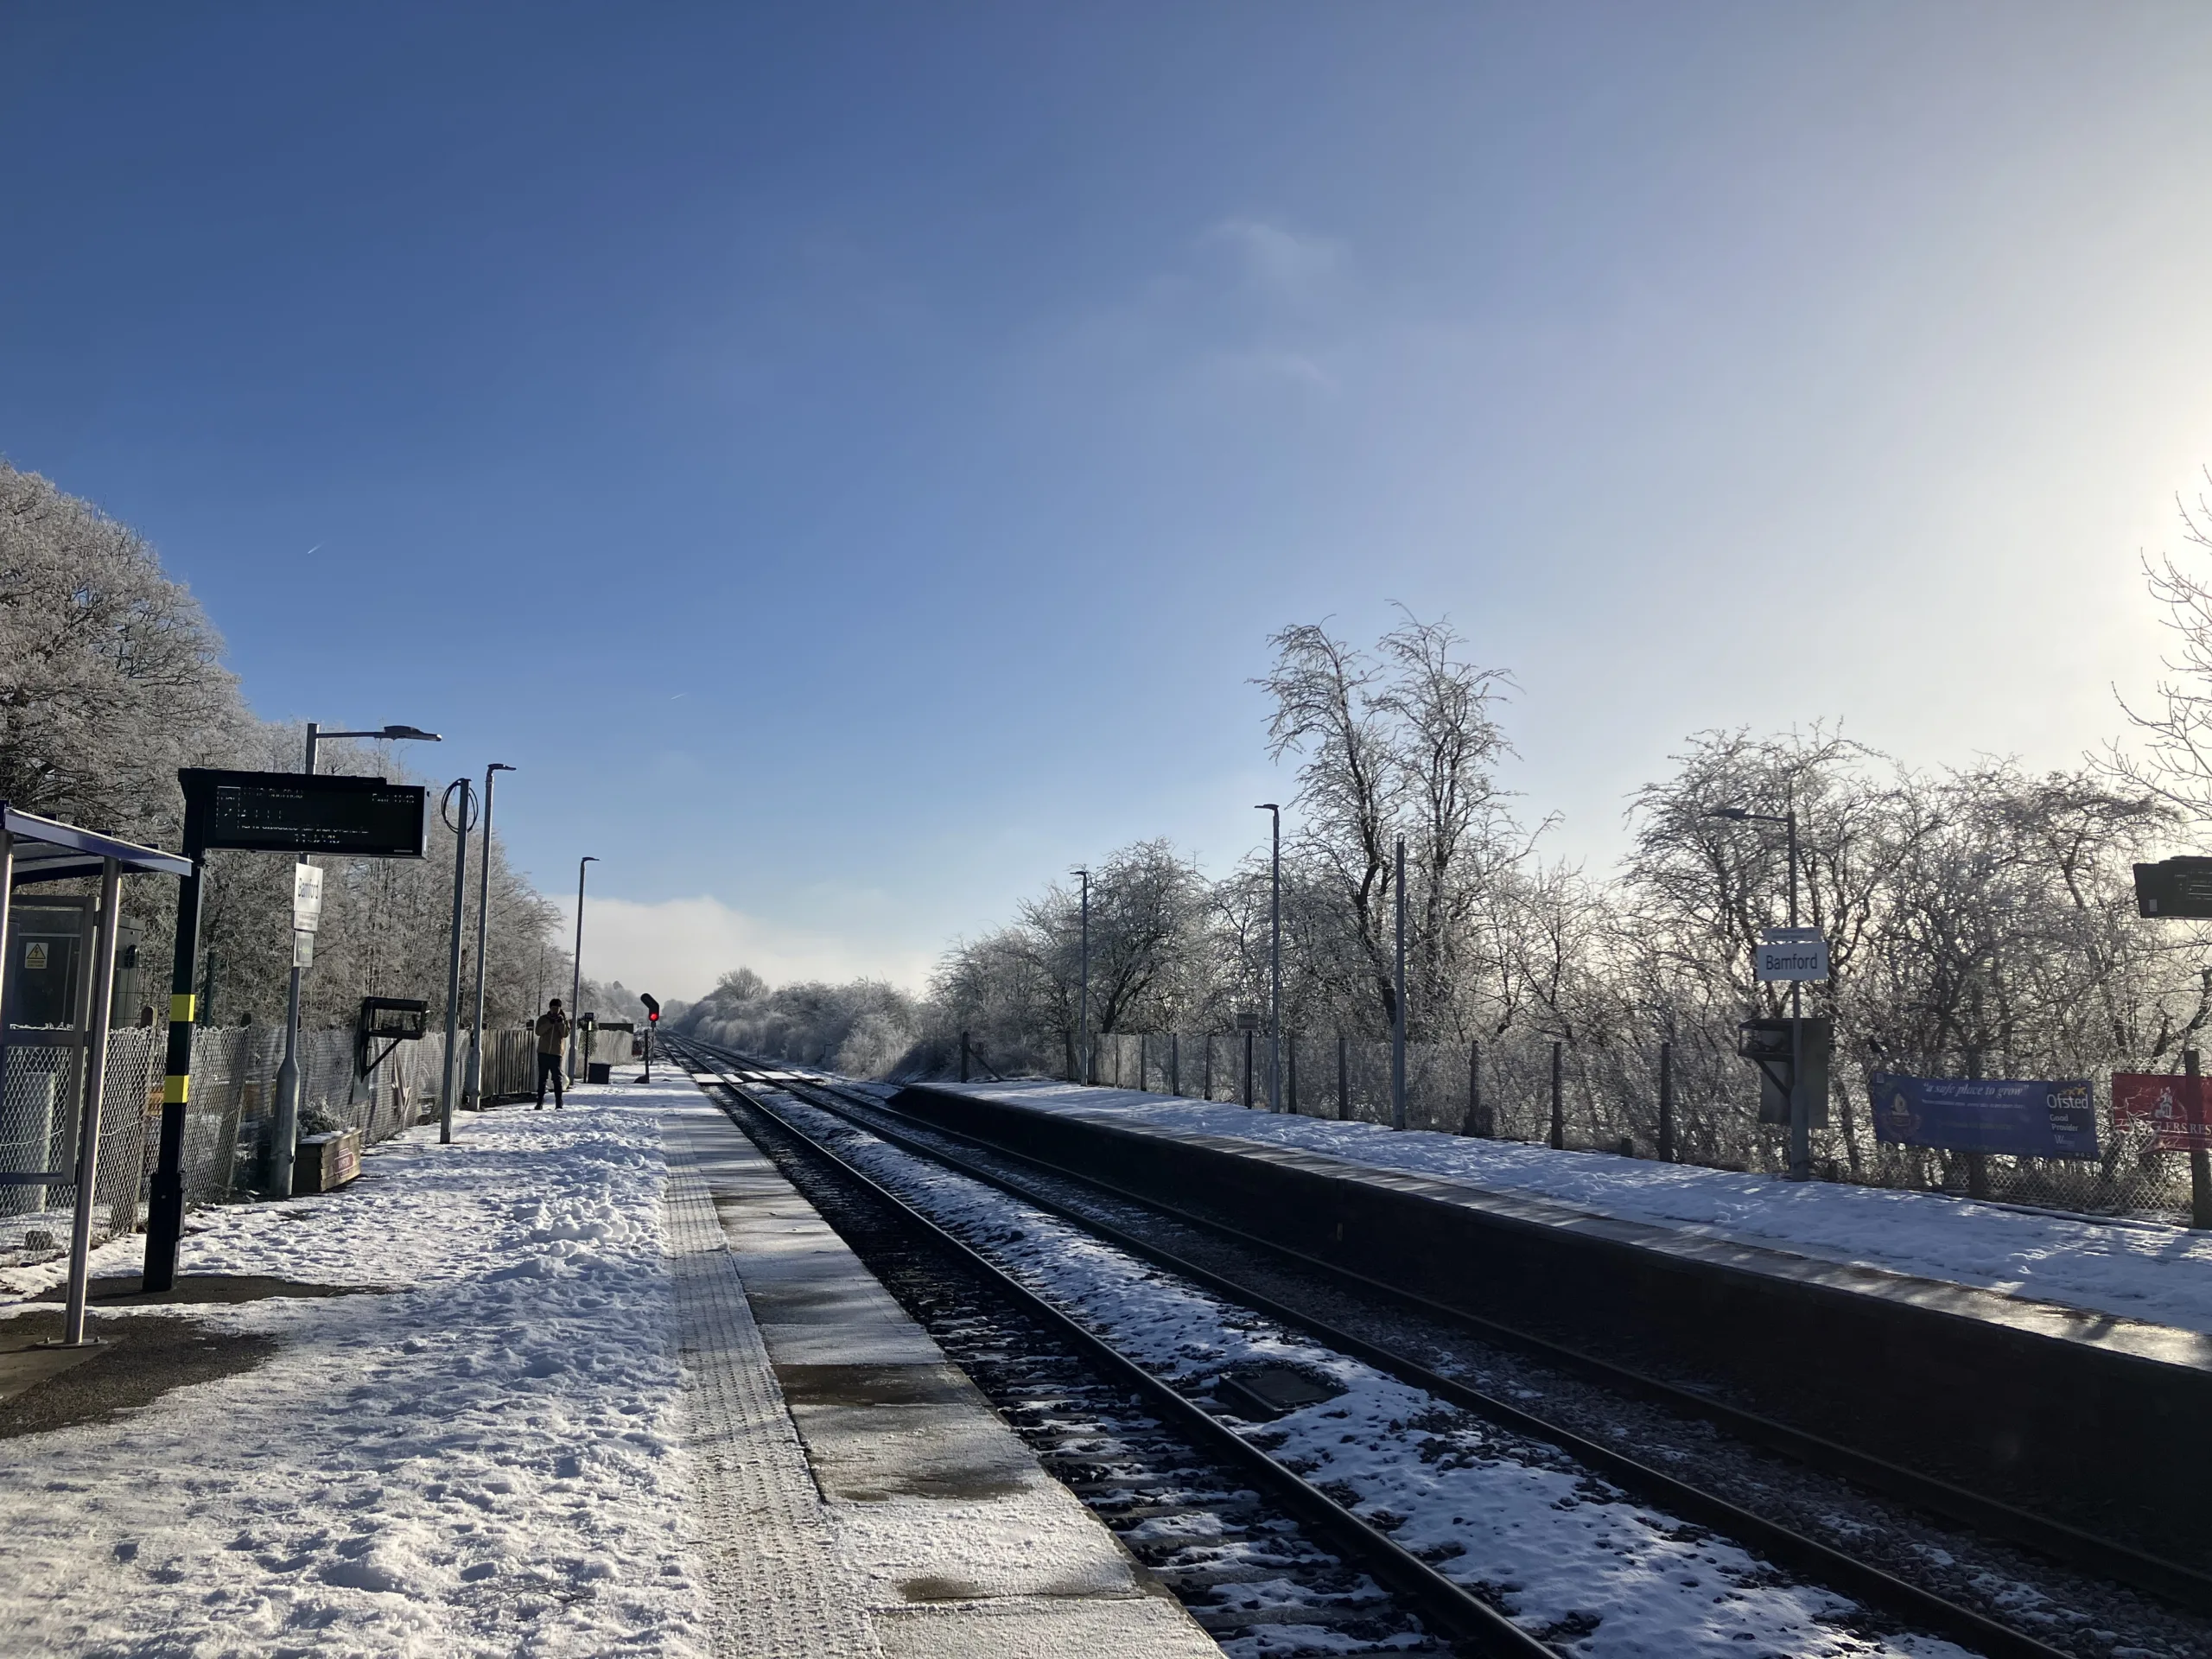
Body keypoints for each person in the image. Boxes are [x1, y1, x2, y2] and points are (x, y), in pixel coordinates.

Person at [533, 999, 572, 1109]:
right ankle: (539, 1103)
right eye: (553, 1008)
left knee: (557, 1079)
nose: (555, 1011)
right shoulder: (543, 1019)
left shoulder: (564, 1021)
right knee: (542, 1078)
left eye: (557, 1008)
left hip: (556, 1053)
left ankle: (559, 1103)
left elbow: (565, 1034)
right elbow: (538, 1032)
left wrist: (560, 1023)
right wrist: (550, 1024)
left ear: (560, 1009)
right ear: (550, 1008)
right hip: (543, 1052)